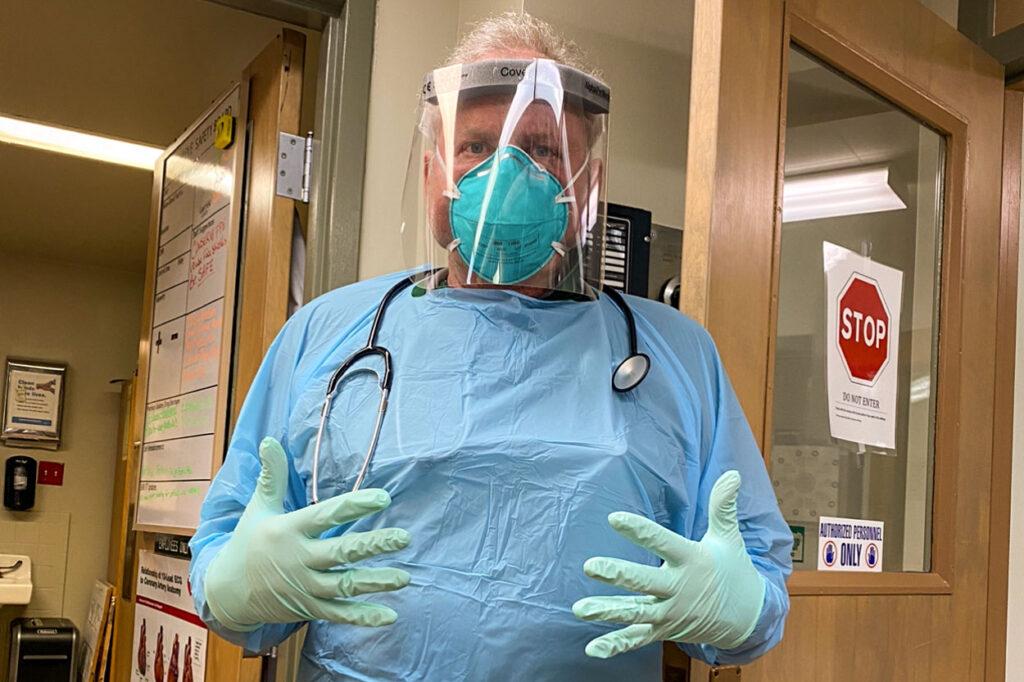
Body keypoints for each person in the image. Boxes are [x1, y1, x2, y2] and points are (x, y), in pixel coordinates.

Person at [189, 12, 792, 681]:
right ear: (432, 178)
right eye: (476, 147)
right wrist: (238, 587)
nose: (506, 172)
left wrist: (739, 608)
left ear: (586, 185)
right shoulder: (329, 337)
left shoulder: (678, 356)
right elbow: (229, 569)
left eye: (540, 150)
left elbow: (756, 576)